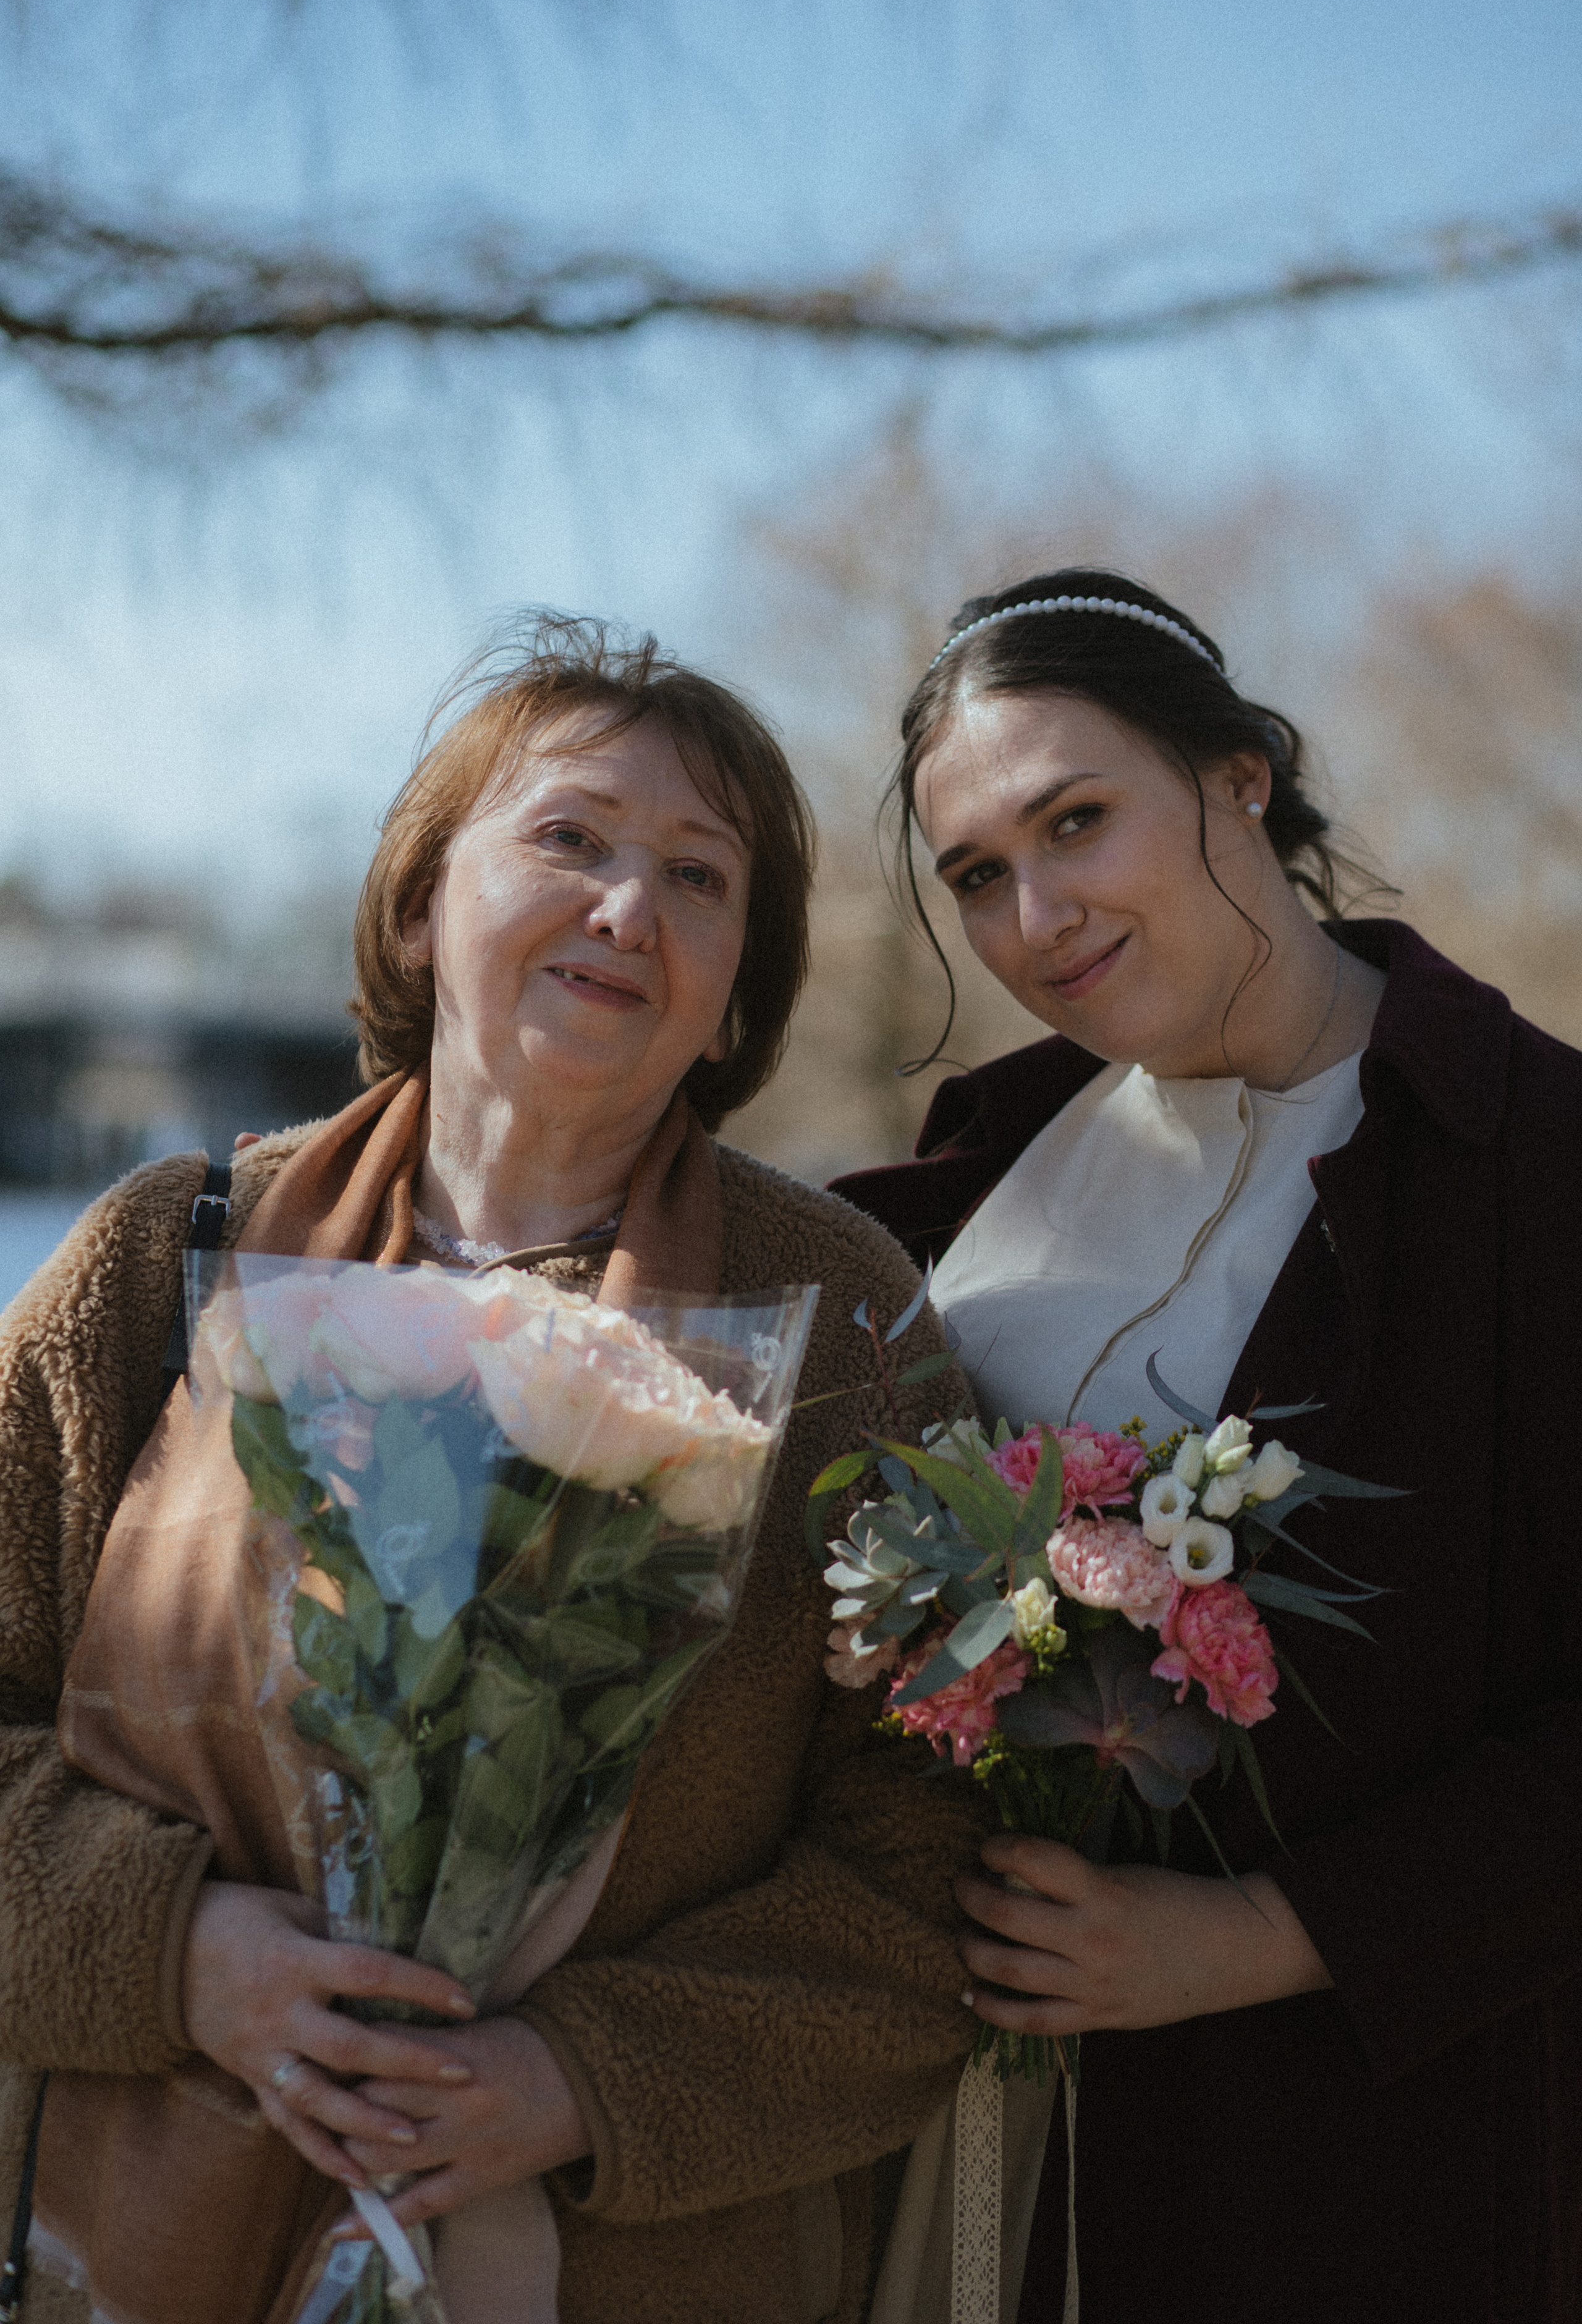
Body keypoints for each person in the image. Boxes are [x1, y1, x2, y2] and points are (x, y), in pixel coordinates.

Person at [0, 615, 983, 2324]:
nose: (627, 908)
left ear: (740, 984)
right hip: (132, 2237)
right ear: (414, 902)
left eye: (698, 875)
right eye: (569, 839)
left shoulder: (845, 1332)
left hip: (642, 2274)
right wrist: (178, 1951)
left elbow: (934, 1871)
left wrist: (580, 2079)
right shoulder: (162, 1257)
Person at [832, 570, 1582, 2324]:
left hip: (1341, 2161)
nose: (1036, 915)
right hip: (929, 2134)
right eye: (976, 877)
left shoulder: (1540, 1166)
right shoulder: (968, 1177)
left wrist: (1254, 1941)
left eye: (1077, 820)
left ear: (1240, 776)